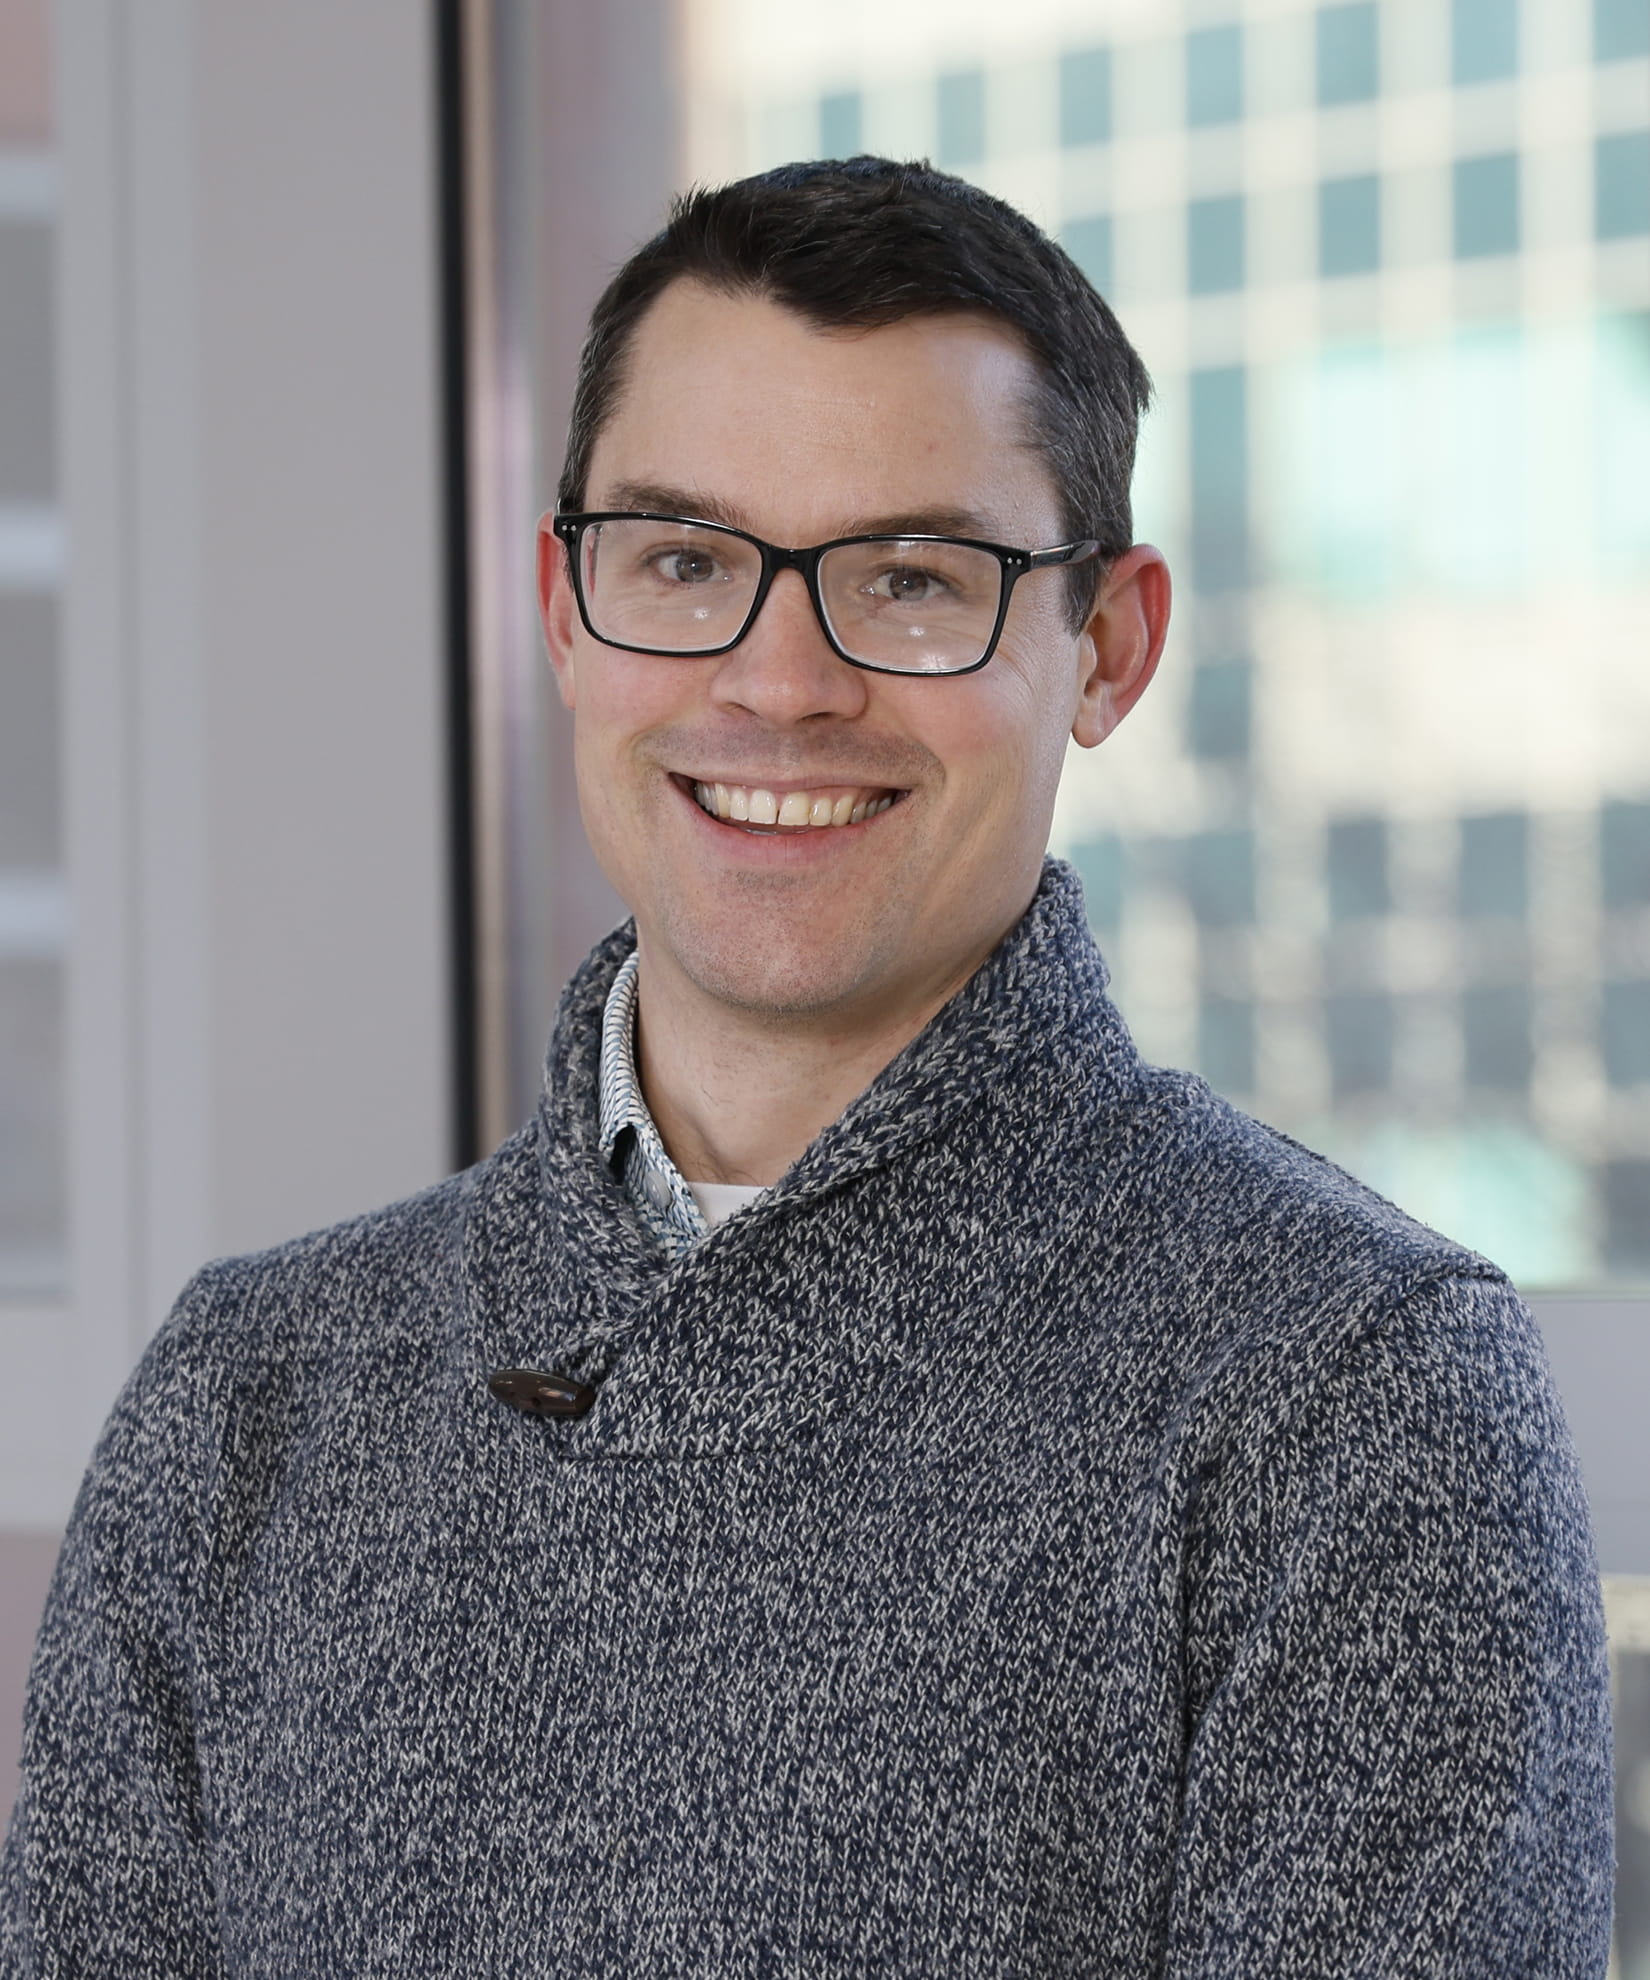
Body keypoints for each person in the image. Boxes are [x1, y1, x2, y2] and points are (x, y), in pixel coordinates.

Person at [1, 156, 1612, 1977]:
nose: (775, 682)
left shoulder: (1352, 1399)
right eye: (683, 561)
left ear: (1107, 643)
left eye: (910, 580)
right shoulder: (253, 1393)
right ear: (562, 607)